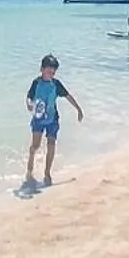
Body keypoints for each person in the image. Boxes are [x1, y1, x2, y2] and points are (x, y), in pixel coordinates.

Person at [23, 54, 82, 188]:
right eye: (49, 71)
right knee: (35, 146)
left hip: (52, 120)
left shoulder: (56, 84)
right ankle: (30, 167)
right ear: (42, 69)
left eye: (53, 72)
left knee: (51, 144)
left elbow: (68, 96)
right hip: (38, 119)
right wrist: (29, 104)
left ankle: (47, 172)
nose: (51, 74)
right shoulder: (36, 83)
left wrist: (78, 109)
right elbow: (29, 97)